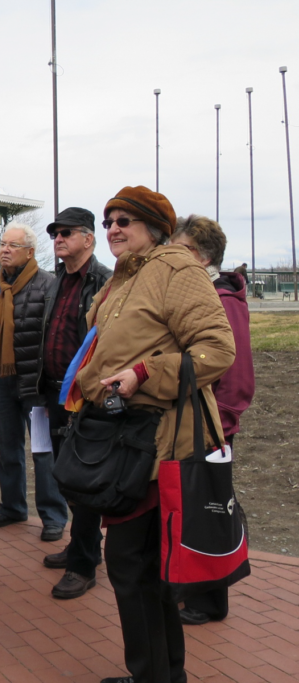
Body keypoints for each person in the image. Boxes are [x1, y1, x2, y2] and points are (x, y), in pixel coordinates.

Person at [76, 187, 235, 683]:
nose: (113, 229)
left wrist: (144, 373)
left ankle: (155, 675)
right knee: (140, 568)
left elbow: (216, 348)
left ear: (155, 227)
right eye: (108, 221)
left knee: (130, 563)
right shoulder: (121, 281)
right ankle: (161, 673)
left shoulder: (175, 269)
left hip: (163, 443)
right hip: (124, 438)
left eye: (126, 220)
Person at [171, 214, 255, 626]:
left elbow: (237, 376)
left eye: (181, 250)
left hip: (210, 427)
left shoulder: (222, 300)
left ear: (201, 255)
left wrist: (216, 427)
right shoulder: (207, 293)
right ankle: (196, 593)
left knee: (208, 510)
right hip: (198, 423)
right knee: (195, 508)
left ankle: (209, 601)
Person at [35, 208, 112, 600]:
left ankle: (84, 564)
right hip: (54, 392)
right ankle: (80, 546)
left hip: (84, 398)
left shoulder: (103, 281)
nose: (58, 239)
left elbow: (103, 342)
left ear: (88, 238)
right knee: (64, 474)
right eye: (55, 233)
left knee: (81, 480)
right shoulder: (58, 280)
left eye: (67, 233)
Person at [0, 223, 66, 540]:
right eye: (2, 244)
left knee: (43, 451)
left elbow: (53, 338)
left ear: (30, 251)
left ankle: (53, 516)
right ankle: (12, 507)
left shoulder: (48, 285)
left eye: (13, 245)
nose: (5, 250)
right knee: (7, 449)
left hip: (35, 385)